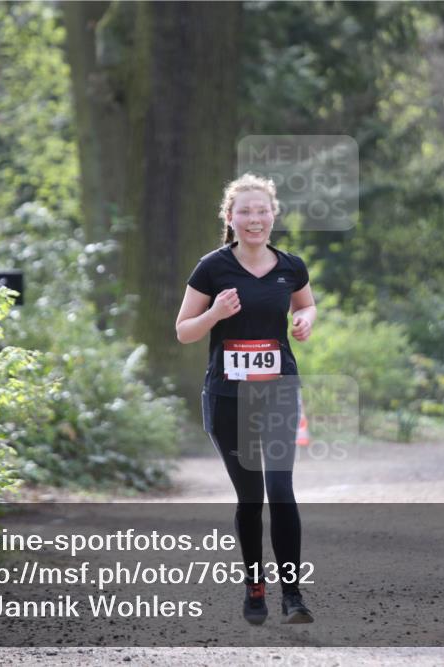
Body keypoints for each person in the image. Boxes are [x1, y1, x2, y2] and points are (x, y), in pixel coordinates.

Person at [175, 173, 317, 625]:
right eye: (245, 212)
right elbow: (183, 330)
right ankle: (255, 584)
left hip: (277, 390)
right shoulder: (212, 268)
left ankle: (292, 594)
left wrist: (306, 319)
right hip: (227, 397)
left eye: (262, 211)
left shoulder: (290, 266)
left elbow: (305, 303)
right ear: (230, 218)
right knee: (251, 496)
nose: (254, 219)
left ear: (273, 215)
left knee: (280, 490)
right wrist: (215, 313)